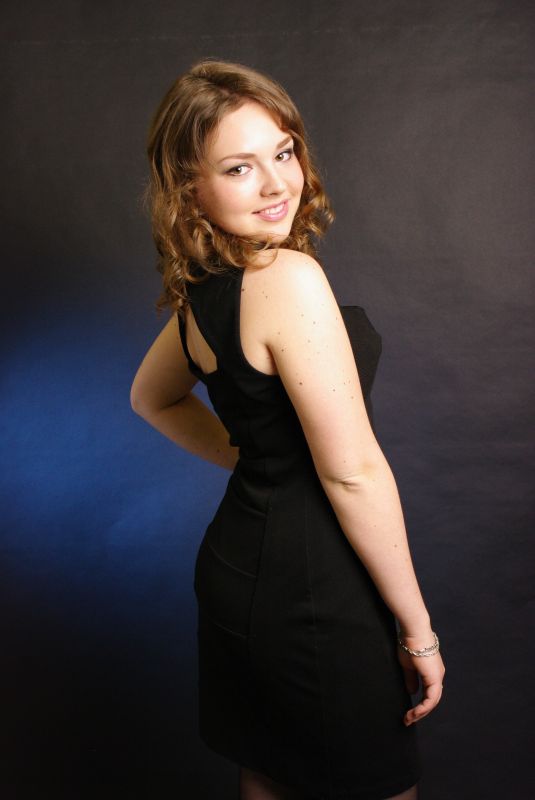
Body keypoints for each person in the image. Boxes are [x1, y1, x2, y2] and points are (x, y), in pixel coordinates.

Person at [130, 59, 445, 800]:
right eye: (239, 167)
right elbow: (351, 472)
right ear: (189, 189)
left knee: (268, 773)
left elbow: (151, 399)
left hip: (241, 574)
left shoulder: (202, 294)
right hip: (313, 589)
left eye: (283, 151)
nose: (277, 184)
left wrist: (264, 463)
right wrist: (418, 632)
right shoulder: (286, 278)